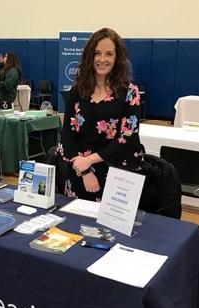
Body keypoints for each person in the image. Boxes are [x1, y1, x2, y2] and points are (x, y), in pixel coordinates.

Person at [57, 27, 143, 201]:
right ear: (90, 56)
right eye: (97, 53)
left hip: (117, 173)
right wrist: (85, 169)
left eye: (109, 54)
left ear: (117, 57)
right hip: (80, 171)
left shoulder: (129, 92)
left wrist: (90, 160)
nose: (102, 59)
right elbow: (67, 135)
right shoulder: (77, 90)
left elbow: (128, 138)